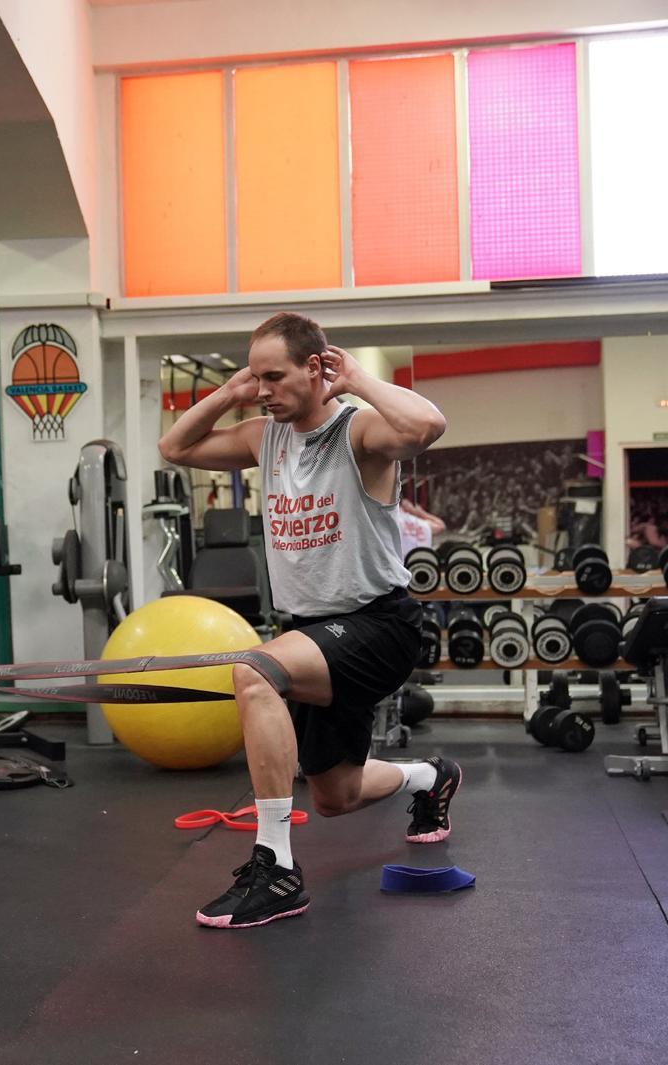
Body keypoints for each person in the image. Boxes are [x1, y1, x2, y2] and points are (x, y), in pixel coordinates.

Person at [158, 312, 459, 930]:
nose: (262, 390)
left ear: (316, 367)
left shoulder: (359, 433)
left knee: (253, 671)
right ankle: (430, 777)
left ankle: (277, 870)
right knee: (337, 796)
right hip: (313, 633)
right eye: (256, 377)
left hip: (379, 625)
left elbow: (427, 425)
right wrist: (230, 392)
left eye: (274, 376)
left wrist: (358, 379)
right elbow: (175, 448)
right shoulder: (263, 437)